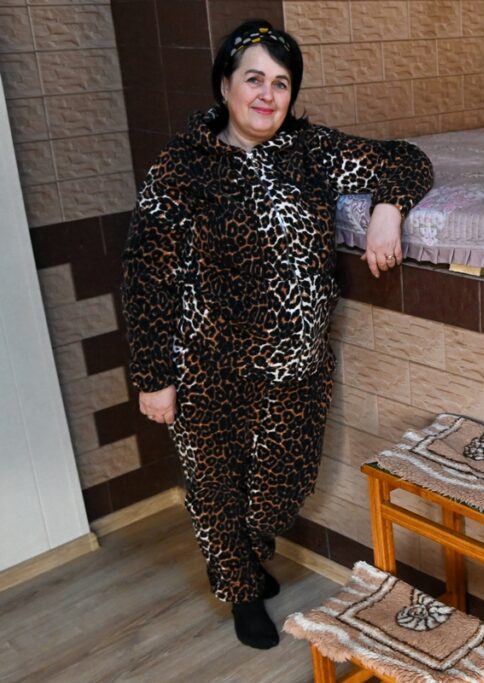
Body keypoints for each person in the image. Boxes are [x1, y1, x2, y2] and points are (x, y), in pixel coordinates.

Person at [120, 19, 433, 650]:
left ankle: (245, 553)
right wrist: (154, 378)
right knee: (216, 487)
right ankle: (240, 590)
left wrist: (387, 209)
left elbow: (407, 160)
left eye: (281, 83)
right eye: (254, 79)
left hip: (297, 366)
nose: (267, 94)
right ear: (225, 86)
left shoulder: (310, 150)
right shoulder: (181, 168)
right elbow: (145, 279)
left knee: (281, 490)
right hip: (208, 366)